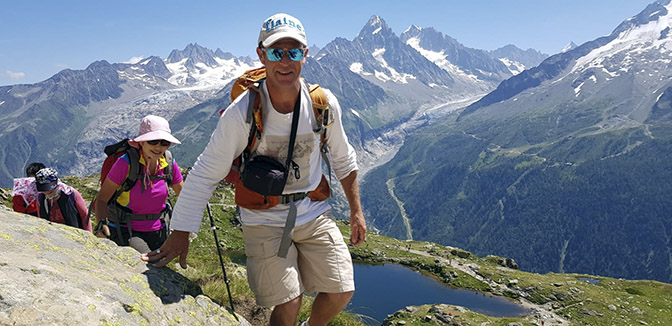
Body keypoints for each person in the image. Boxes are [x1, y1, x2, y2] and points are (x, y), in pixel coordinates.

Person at [143, 13, 367, 326]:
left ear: (306, 54)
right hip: (263, 216)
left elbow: (344, 158)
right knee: (288, 302)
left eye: (294, 52)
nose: (286, 62)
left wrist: (356, 211)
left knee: (342, 290)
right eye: (276, 52)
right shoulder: (243, 111)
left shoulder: (322, 104)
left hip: (313, 211)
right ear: (261, 54)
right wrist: (181, 232)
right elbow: (207, 171)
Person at [95, 115, 184, 254]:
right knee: (150, 266)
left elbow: (184, 197)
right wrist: (101, 224)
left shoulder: (169, 163)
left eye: (164, 143)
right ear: (142, 142)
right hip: (127, 230)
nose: (159, 147)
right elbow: (101, 199)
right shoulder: (126, 163)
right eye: (153, 141)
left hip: (160, 231)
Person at [35, 167, 92, 232]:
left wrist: (89, 234)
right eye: (44, 190)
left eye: (50, 191)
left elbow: (84, 215)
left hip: (74, 233)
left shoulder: (71, 194)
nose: (47, 193)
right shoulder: (40, 199)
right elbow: (41, 219)